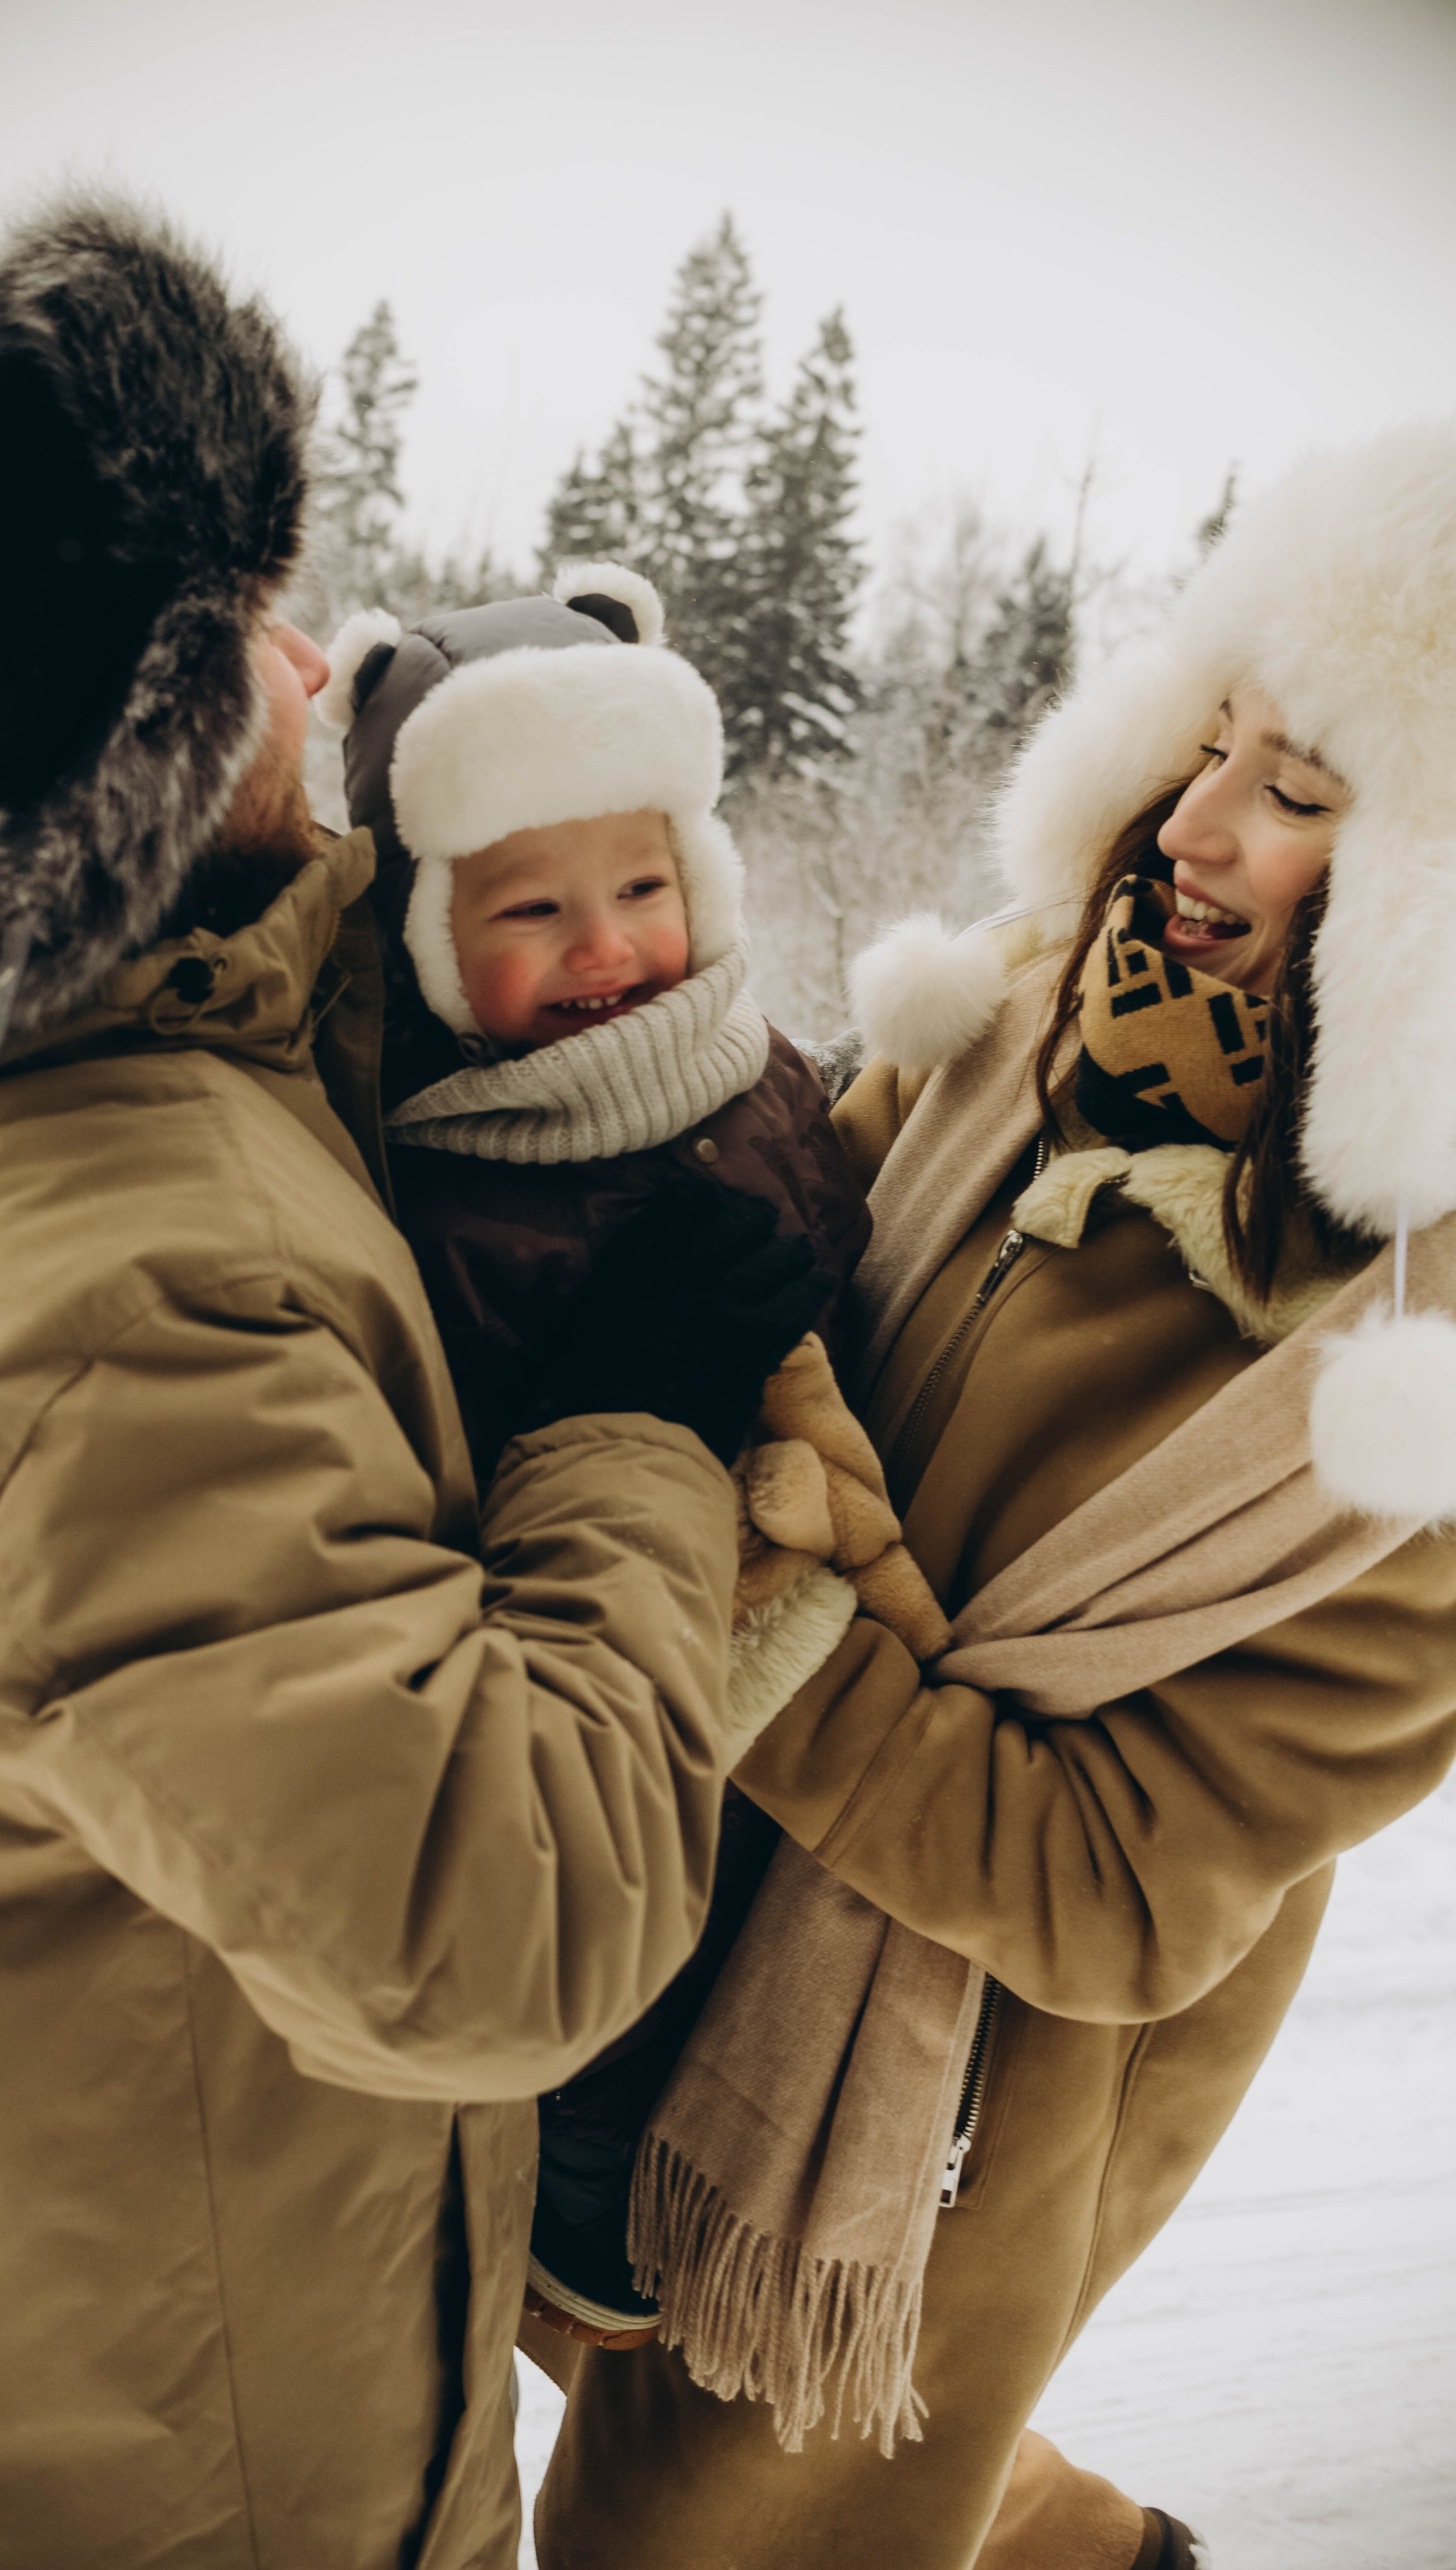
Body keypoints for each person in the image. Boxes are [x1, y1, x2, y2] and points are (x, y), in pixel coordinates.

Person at [0, 198, 827, 2570]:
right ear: (130, 750)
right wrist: (627, 1424)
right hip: (185, 2480)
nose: (317, 665)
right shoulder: (130, 1294)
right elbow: (490, 1926)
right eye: (244, 633)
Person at [531, 422, 1456, 2570]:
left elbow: (1111, 1889)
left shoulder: (1400, 1413)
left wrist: (765, 1614)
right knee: (596, 2341)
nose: (1199, 830)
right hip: (710, 1905)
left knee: (710, 2521)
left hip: (965, 2086)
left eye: (1302, 792)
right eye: (1210, 742)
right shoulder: (1026, 1026)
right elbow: (780, 1266)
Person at [314, 568, 878, 2349]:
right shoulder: (432, 1174)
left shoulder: (757, 1068)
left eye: (644, 887)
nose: (606, 949)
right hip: (602, 1650)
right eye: (530, 910)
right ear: (423, 936)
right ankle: (588, 2159)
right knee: (638, 1929)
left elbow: (846, 1220)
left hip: (814, 1606)